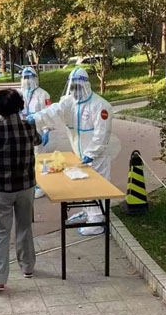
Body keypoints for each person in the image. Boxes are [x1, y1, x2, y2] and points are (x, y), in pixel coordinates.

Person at [28, 67, 112, 235]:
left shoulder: (100, 106)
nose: (75, 90)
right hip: (80, 154)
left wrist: (92, 153)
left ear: (86, 85)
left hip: (97, 157)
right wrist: (35, 118)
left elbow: (102, 134)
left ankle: (97, 220)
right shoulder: (69, 102)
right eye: (72, 87)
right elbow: (53, 110)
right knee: (84, 185)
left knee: (96, 187)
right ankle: (87, 212)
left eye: (78, 87)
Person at [0, 89, 41, 292]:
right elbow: (38, 140)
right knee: (25, 226)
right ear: (19, 106)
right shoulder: (29, 127)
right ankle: (28, 267)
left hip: (1, 188)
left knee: (0, 231)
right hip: (26, 185)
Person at [20, 66, 51, 199]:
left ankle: (41, 185)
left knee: (40, 158)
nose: (27, 80)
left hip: (38, 127)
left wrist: (46, 130)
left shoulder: (43, 94)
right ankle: (30, 183)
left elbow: (48, 114)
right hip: (23, 128)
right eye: (25, 77)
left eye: (29, 77)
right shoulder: (20, 93)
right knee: (25, 158)